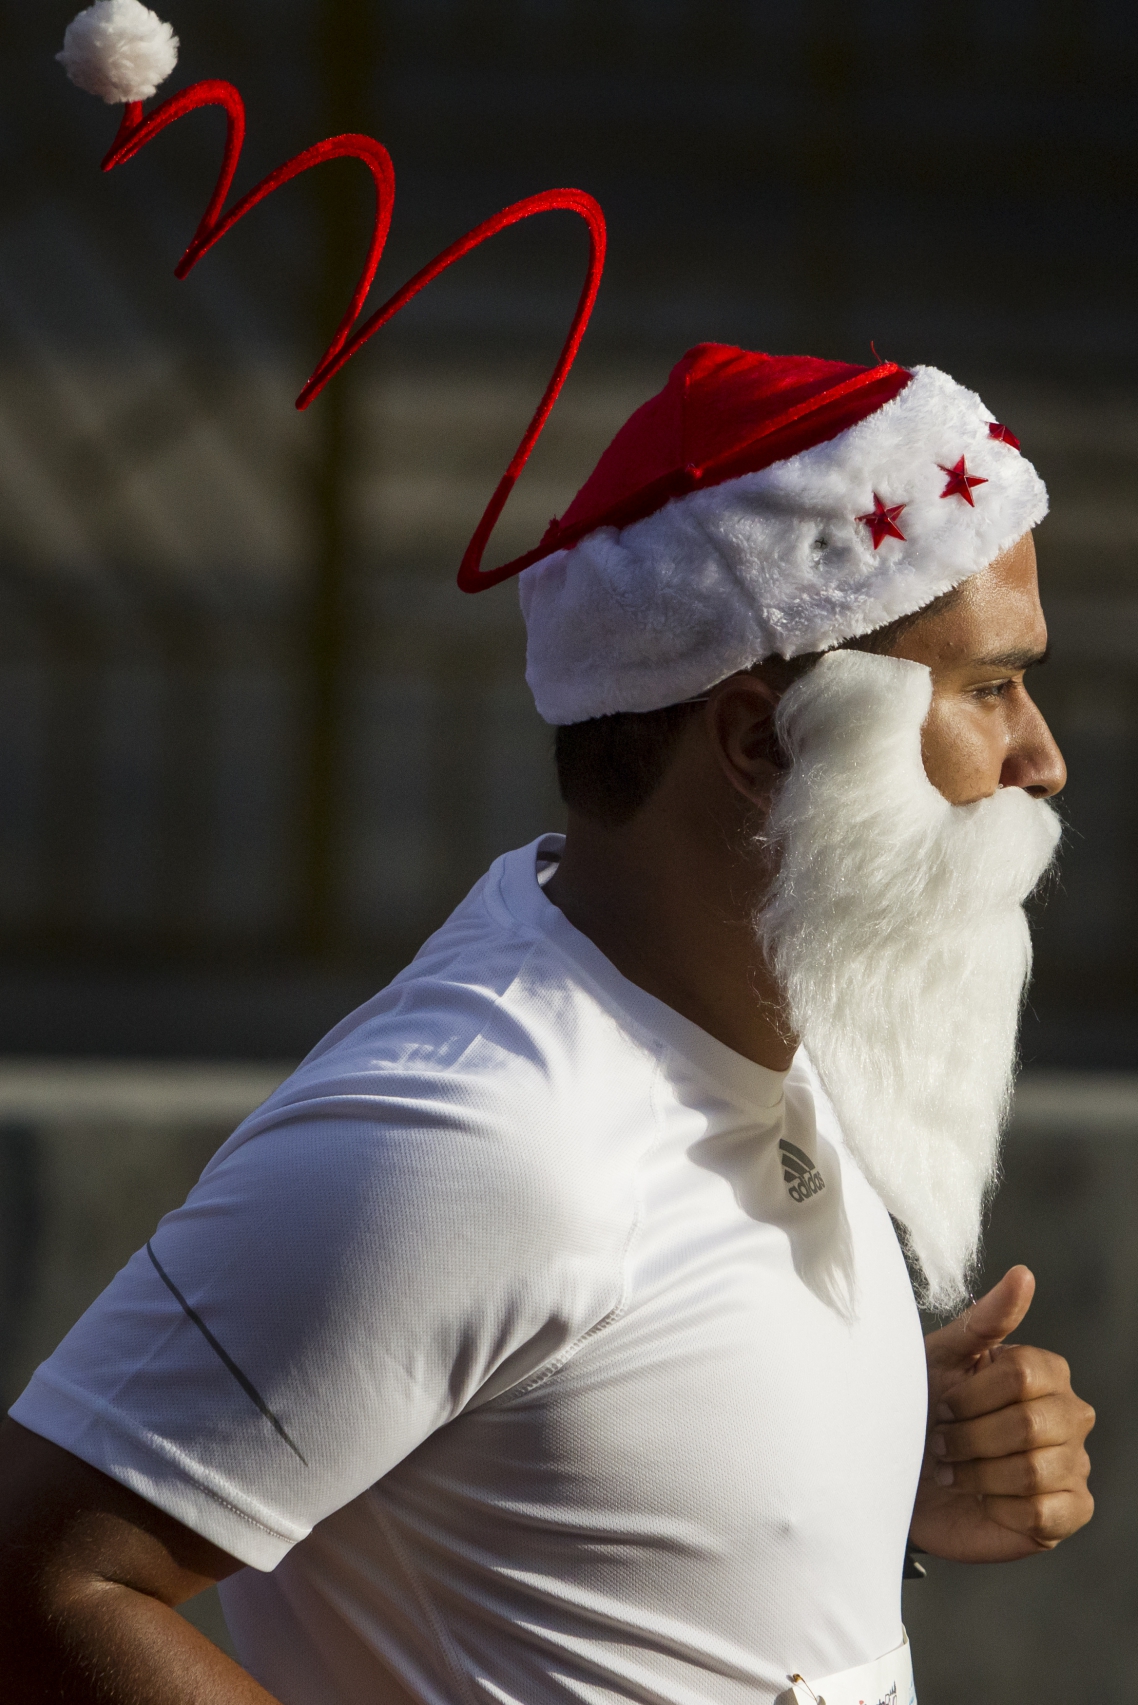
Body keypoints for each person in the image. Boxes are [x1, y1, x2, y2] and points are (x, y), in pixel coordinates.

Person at [0, 346, 1094, 1705]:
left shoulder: (762, 1017)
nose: (1039, 757)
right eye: (988, 686)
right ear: (757, 741)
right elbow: (42, 1579)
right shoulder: (485, 1132)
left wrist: (861, 1455)